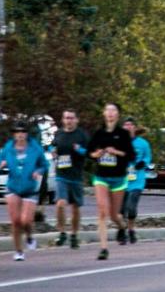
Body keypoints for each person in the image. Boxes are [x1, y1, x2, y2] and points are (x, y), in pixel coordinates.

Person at [0, 122, 48, 261]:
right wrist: (0, 165)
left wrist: (38, 171)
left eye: (23, 132)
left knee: (26, 221)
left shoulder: (35, 148)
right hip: (13, 187)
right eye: (17, 132)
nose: (20, 135)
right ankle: (19, 251)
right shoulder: (8, 148)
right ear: (14, 134)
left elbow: (44, 164)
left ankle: (29, 236)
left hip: (30, 188)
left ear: (27, 134)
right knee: (16, 221)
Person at [88, 103, 134, 261]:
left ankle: (122, 227)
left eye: (113, 110)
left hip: (118, 178)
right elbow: (89, 152)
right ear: (103, 113)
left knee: (114, 215)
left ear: (118, 115)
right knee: (102, 211)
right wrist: (97, 154)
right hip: (101, 176)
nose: (110, 113)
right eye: (107, 110)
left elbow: (131, 155)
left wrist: (116, 152)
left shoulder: (123, 134)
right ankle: (103, 248)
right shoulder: (99, 133)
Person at [50, 109, 90, 249]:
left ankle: (74, 234)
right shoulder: (59, 133)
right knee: (60, 204)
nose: (69, 120)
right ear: (63, 120)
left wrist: (79, 150)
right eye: (66, 118)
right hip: (61, 175)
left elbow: (90, 153)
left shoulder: (82, 135)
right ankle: (62, 233)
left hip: (76, 176)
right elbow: (52, 145)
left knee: (75, 208)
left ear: (76, 120)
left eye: (71, 118)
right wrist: (53, 151)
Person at [121, 118, 151, 245]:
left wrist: (142, 163)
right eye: (125, 125)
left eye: (130, 125)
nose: (128, 127)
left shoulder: (143, 143)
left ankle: (131, 230)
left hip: (137, 180)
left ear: (134, 127)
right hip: (122, 180)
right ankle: (122, 232)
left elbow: (148, 157)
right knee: (121, 210)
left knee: (131, 207)